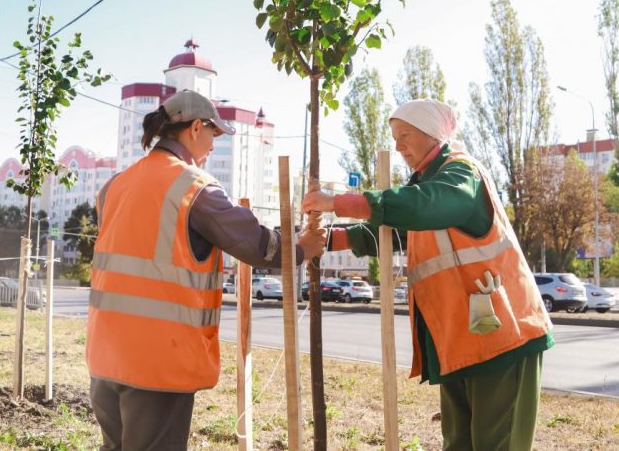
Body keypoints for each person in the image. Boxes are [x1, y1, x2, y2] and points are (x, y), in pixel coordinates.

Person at [302, 99, 553, 450]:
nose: (398, 145)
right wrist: (331, 239)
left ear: (433, 134)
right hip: (463, 340)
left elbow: (424, 203)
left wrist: (341, 203)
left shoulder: (459, 174)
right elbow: (395, 231)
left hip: (505, 336)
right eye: (394, 136)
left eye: (405, 135)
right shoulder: (424, 185)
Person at [87, 89, 327, 451]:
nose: (214, 146)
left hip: (105, 355)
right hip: (157, 362)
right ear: (196, 127)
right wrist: (303, 247)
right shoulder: (192, 186)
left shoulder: (113, 186)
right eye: (214, 135)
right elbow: (255, 244)